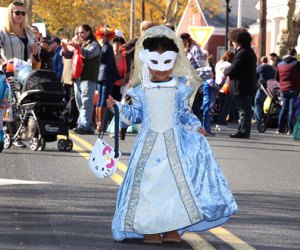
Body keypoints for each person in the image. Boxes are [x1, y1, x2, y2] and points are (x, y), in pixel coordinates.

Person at [107, 25, 238, 244]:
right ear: (146, 60)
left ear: (174, 61)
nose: (161, 69)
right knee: (148, 186)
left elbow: (184, 114)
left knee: (173, 186)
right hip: (148, 147)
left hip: (174, 147)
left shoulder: (179, 88)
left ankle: (171, 229)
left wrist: (196, 126)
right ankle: (149, 228)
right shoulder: (141, 90)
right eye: (155, 63)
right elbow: (135, 116)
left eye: (166, 63)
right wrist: (118, 109)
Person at [0, 1, 40, 148]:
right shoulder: (3, 31)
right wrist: (5, 62)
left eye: (23, 13)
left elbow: (36, 58)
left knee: (24, 103)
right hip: (8, 72)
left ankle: (23, 132)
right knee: (10, 103)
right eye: (17, 12)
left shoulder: (29, 32)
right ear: (10, 14)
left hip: (26, 72)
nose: (20, 16)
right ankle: (10, 133)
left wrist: (35, 52)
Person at [62, 24, 101, 135]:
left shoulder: (94, 44)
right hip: (77, 77)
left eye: (82, 32)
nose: (80, 35)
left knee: (86, 102)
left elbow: (88, 54)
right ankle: (88, 126)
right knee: (79, 102)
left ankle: (83, 124)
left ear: (89, 32)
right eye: (78, 33)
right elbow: (70, 55)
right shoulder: (79, 44)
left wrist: (77, 47)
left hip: (88, 77)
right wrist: (65, 48)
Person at [224, 28, 257, 139]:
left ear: (237, 40)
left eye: (233, 40)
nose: (232, 42)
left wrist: (225, 72)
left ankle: (243, 131)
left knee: (243, 110)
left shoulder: (243, 52)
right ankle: (243, 130)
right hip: (246, 85)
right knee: (245, 110)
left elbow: (235, 68)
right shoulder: (249, 51)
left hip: (241, 86)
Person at [94, 25, 120, 132]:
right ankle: (101, 124)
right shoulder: (108, 48)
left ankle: (99, 123)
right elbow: (112, 64)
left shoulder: (100, 47)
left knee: (100, 99)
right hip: (107, 75)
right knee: (104, 99)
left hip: (100, 75)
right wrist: (118, 76)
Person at [180, 32, 206, 121]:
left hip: (194, 80)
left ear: (185, 40)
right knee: (191, 103)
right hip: (189, 79)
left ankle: (197, 125)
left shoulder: (195, 49)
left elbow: (201, 64)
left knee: (194, 103)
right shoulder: (189, 50)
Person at [276, 48, 300, 134]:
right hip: (294, 88)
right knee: (292, 109)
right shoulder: (297, 64)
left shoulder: (279, 64)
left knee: (284, 108)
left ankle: (280, 128)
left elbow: (277, 78)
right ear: (294, 54)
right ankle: (290, 129)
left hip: (283, 89)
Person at [214, 50, 235, 131]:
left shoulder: (218, 64)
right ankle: (222, 124)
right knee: (226, 106)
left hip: (218, 86)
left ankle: (218, 124)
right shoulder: (229, 65)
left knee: (221, 105)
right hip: (226, 86)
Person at [253, 56, 276, 123]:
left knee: (257, 103)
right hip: (271, 88)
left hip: (262, 88)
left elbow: (255, 76)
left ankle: (258, 119)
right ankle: (265, 117)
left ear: (261, 61)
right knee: (269, 104)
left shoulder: (259, 68)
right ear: (267, 61)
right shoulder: (272, 68)